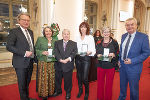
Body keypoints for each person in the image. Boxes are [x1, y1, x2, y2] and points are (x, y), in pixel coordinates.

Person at [6, 13, 37, 100]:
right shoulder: (14, 32)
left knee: (27, 82)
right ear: (19, 21)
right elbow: (9, 46)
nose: (26, 22)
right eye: (24, 20)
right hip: (20, 62)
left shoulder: (30, 32)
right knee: (22, 83)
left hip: (30, 62)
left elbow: (31, 46)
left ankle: (26, 97)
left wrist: (35, 58)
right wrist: (24, 53)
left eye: (28, 20)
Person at [118, 18, 150, 100]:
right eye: (127, 25)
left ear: (136, 25)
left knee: (133, 90)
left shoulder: (143, 37)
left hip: (134, 68)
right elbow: (121, 50)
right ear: (125, 26)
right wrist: (119, 60)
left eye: (132, 24)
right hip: (122, 67)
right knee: (122, 87)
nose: (129, 26)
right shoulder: (123, 36)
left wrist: (132, 61)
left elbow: (146, 53)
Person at [95, 26, 119, 100]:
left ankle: (108, 98)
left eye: (108, 31)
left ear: (110, 33)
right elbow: (95, 53)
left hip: (110, 66)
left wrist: (114, 54)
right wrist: (97, 55)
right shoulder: (98, 42)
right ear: (102, 33)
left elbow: (118, 53)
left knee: (109, 84)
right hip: (100, 65)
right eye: (104, 32)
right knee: (100, 83)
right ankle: (100, 97)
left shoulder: (114, 42)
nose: (106, 33)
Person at [53, 29, 77, 100]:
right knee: (57, 79)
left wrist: (68, 59)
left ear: (69, 35)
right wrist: (60, 59)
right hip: (58, 64)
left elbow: (74, 53)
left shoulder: (74, 43)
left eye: (67, 34)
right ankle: (58, 91)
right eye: (64, 34)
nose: (66, 35)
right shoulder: (57, 42)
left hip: (68, 64)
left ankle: (68, 92)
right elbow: (56, 52)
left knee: (68, 80)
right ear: (62, 35)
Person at [35, 26, 57, 100]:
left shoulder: (55, 40)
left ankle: (50, 92)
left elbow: (56, 51)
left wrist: (55, 54)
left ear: (52, 32)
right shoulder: (40, 39)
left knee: (51, 77)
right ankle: (43, 94)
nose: (48, 32)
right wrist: (42, 52)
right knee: (43, 78)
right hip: (43, 61)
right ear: (44, 32)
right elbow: (36, 49)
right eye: (46, 31)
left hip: (51, 61)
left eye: (50, 31)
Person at [75, 22, 96, 100]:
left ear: (87, 28)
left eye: (84, 27)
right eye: (81, 27)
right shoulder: (77, 37)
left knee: (85, 77)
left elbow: (93, 49)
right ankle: (80, 90)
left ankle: (87, 92)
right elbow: (75, 49)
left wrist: (90, 52)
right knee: (79, 76)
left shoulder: (90, 37)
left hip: (86, 59)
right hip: (78, 58)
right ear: (80, 28)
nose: (83, 28)